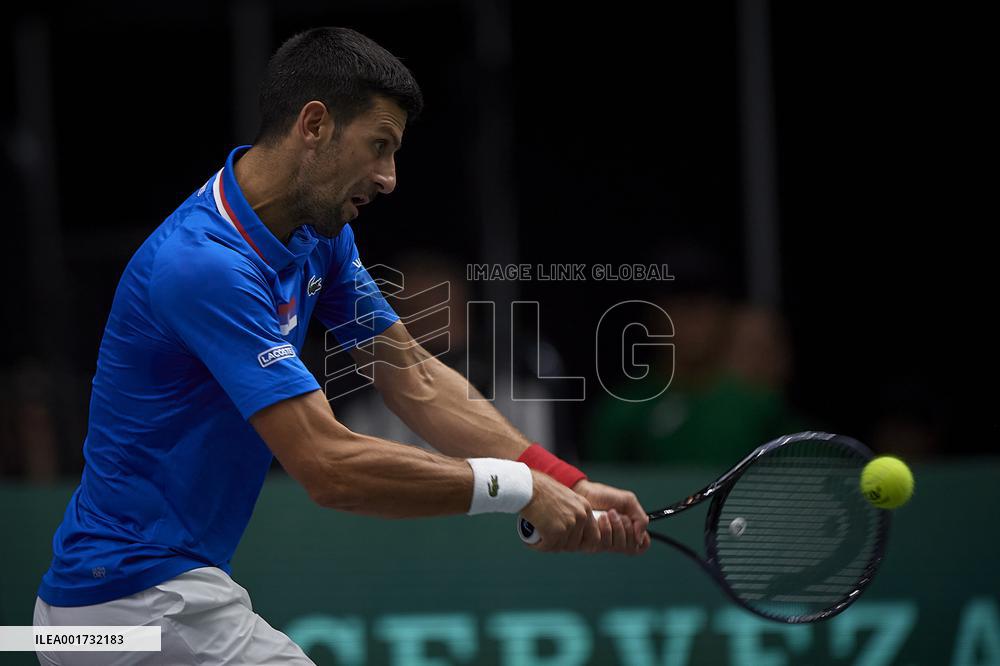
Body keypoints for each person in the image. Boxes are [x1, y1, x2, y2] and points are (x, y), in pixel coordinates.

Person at [32, 27, 649, 665]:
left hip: (119, 608)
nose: (389, 178)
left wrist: (562, 481)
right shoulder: (204, 266)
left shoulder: (316, 235)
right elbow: (329, 467)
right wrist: (516, 489)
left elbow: (413, 378)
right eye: (378, 147)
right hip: (136, 609)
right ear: (316, 125)